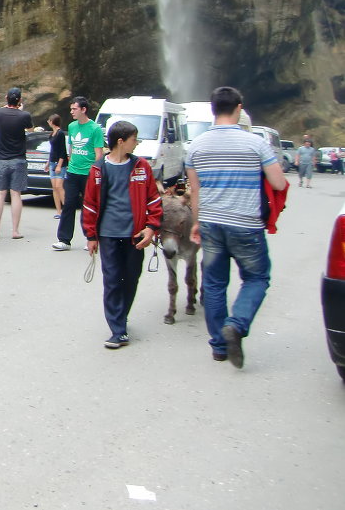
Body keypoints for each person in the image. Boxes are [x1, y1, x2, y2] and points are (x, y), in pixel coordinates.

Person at [186, 86, 287, 368]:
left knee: (215, 284)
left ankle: (219, 346)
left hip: (211, 224)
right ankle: (237, 324)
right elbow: (279, 183)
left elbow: (195, 191)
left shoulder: (196, 146)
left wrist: (196, 222)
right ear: (239, 108)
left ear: (212, 109)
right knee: (257, 278)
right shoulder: (256, 144)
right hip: (245, 224)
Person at [81, 121, 162, 349]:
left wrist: (151, 227)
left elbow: (154, 200)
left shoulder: (141, 166)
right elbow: (89, 204)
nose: (136, 144)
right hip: (108, 235)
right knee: (112, 280)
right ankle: (118, 329)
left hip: (135, 235)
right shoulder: (98, 169)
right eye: (134, 139)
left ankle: (121, 315)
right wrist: (91, 236)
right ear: (121, 141)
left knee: (131, 279)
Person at [53, 96, 104, 251]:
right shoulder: (72, 126)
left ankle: (92, 237)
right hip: (73, 172)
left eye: (74, 109)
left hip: (88, 173)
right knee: (68, 205)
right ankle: (64, 240)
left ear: (83, 109)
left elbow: (98, 154)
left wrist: (96, 173)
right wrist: (69, 165)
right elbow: (72, 149)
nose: (72, 112)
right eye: (71, 109)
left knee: (89, 206)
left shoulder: (95, 129)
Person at [0, 88, 33, 240]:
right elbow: (30, 129)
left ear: (6, 97)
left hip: (1, 159)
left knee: (0, 194)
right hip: (18, 159)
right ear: (19, 100)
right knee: (16, 194)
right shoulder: (24, 116)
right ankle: (15, 231)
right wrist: (21, 110)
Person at [47, 113, 68, 218]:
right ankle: (58, 211)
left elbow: (62, 151)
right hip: (52, 162)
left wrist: (59, 165)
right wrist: (48, 162)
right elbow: (52, 150)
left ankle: (66, 209)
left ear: (52, 121)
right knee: (54, 187)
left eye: (49, 120)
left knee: (59, 186)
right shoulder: (52, 134)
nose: (48, 122)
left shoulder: (60, 134)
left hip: (59, 163)